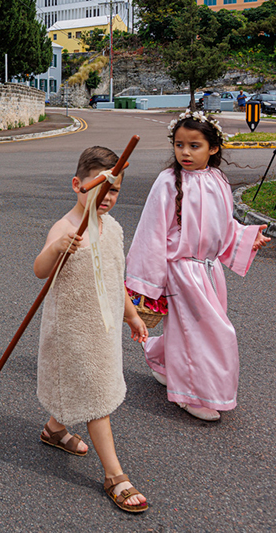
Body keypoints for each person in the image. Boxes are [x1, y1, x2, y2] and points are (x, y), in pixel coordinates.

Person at [125, 110, 270, 421]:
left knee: (193, 328)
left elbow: (224, 225)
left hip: (209, 269)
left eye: (194, 146)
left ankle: (161, 359)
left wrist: (246, 238)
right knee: (210, 331)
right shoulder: (167, 182)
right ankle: (191, 392)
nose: (185, 153)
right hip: (181, 270)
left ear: (213, 148)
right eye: (179, 145)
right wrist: (148, 282)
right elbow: (150, 232)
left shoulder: (218, 180)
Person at [34, 146, 149, 513]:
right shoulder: (66, 227)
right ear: (77, 185)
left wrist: (132, 315)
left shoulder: (112, 228)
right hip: (73, 330)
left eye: (114, 189)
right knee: (97, 395)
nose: (106, 196)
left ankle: (54, 429)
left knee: (82, 385)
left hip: (104, 328)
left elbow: (117, 279)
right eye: (99, 186)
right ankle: (115, 474)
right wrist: (57, 250)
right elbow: (40, 269)